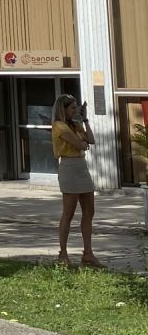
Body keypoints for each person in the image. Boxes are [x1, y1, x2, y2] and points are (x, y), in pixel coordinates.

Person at [51, 93, 99, 267]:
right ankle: (63, 253)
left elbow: (90, 141)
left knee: (89, 212)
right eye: (72, 107)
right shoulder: (59, 126)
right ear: (63, 109)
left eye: (76, 107)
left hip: (81, 167)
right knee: (68, 213)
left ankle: (88, 254)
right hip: (69, 168)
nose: (75, 110)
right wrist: (81, 140)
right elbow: (80, 144)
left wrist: (84, 120)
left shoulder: (76, 124)